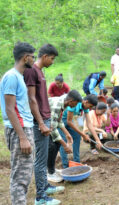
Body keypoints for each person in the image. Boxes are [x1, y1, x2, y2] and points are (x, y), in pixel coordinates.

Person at [23, 44, 64, 205]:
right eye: (52, 59)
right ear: (45, 56)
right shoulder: (32, 71)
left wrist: (47, 120)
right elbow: (31, 99)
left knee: (44, 156)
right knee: (40, 160)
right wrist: (41, 123)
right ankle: (40, 197)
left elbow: (41, 98)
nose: (52, 62)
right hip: (38, 121)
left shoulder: (40, 72)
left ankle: (45, 186)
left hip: (45, 119)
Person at [0, 42, 36, 205]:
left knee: (25, 174)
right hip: (19, 130)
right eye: (33, 57)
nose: (34, 60)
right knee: (20, 178)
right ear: (26, 57)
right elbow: (9, 108)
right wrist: (22, 137)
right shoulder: (11, 77)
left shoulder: (18, 76)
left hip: (23, 128)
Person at [47, 90, 82, 183]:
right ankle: (50, 173)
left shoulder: (64, 102)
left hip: (49, 123)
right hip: (39, 123)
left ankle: (52, 169)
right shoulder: (57, 105)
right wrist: (65, 144)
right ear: (71, 101)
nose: (75, 106)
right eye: (76, 103)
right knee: (51, 146)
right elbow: (52, 128)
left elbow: (59, 121)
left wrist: (67, 134)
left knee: (56, 145)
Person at [59, 94, 102, 168]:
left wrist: (97, 140)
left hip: (69, 118)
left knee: (77, 136)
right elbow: (69, 122)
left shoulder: (85, 106)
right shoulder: (75, 103)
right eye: (90, 106)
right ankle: (65, 166)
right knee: (64, 141)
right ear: (86, 102)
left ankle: (77, 162)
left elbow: (89, 124)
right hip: (60, 119)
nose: (90, 108)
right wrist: (83, 134)